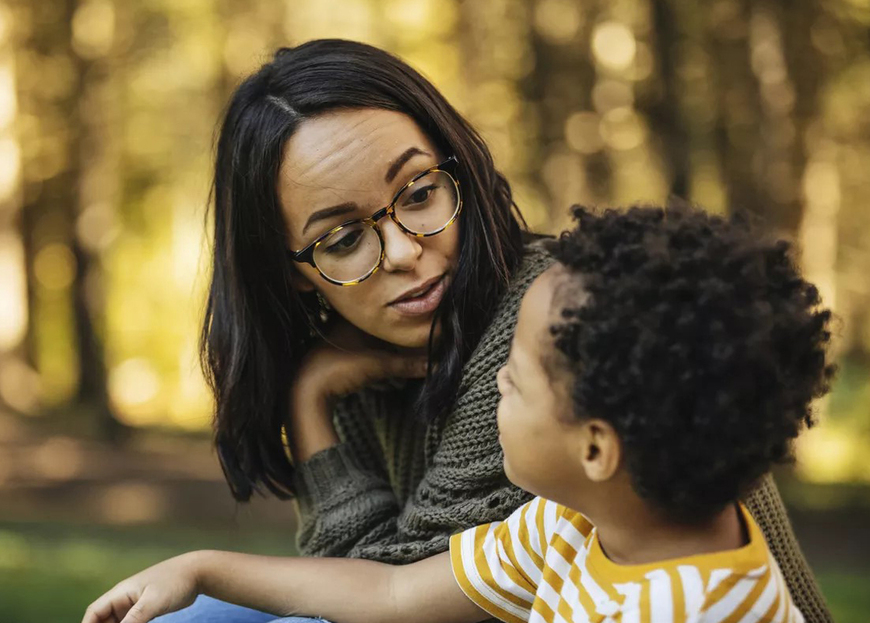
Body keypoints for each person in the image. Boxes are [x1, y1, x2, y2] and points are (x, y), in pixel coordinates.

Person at [158, 39, 830, 622]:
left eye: (420, 193)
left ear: (461, 171)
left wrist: (309, 407)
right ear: (293, 272)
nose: (400, 251)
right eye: (342, 237)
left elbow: (383, 606)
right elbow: (384, 592)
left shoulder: (552, 326)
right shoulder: (558, 525)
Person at [83, 205, 834, 623]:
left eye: (513, 377)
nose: (493, 381)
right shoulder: (576, 521)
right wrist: (201, 567)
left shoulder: (687, 610)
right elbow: (394, 591)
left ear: (597, 447)